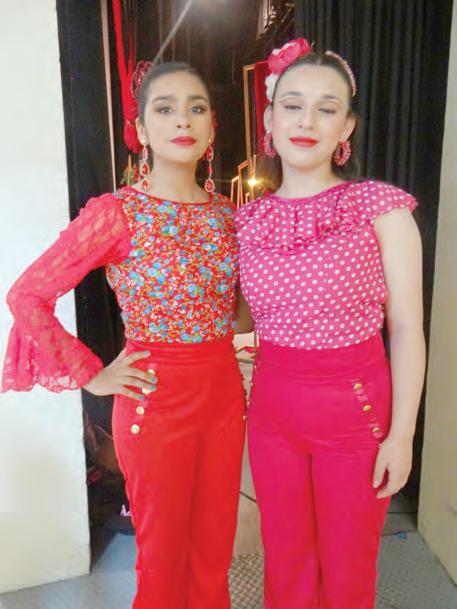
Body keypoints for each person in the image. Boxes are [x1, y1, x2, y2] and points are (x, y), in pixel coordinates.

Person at [2, 61, 246, 609]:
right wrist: (92, 373)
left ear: (212, 125)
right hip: (154, 400)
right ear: (140, 128)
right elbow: (27, 294)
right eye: (165, 108)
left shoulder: (227, 215)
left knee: (214, 555)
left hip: (224, 396)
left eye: (197, 108)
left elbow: (238, 317)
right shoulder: (118, 213)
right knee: (161, 560)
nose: (182, 120)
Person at [234, 38, 425, 609]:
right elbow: (233, 318)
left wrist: (402, 436)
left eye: (327, 108)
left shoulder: (379, 208)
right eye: (292, 105)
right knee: (286, 567)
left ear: (347, 127)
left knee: (347, 573)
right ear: (269, 119)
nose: (306, 121)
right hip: (272, 415)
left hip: (356, 414)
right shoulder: (247, 222)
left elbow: (407, 329)